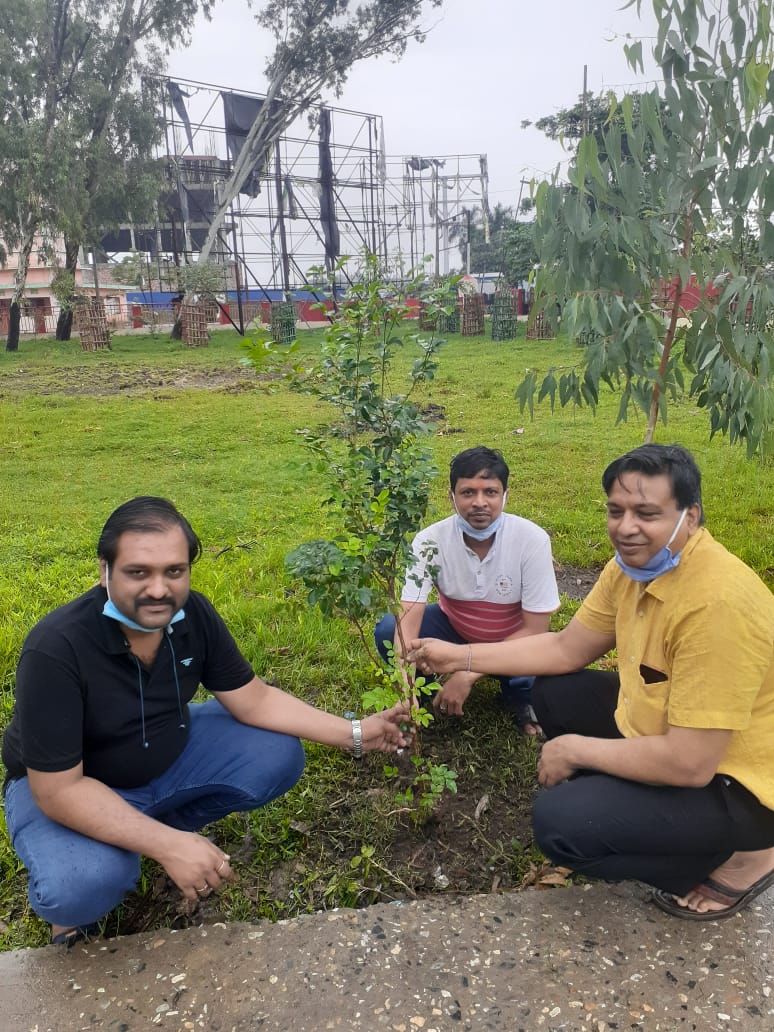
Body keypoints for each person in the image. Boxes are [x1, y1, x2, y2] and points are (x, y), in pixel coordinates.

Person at [2, 497, 411, 946]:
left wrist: (354, 732)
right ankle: (98, 890)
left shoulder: (191, 616)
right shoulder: (56, 648)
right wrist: (166, 846)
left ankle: (152, 833)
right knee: (78, 887)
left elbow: (253, 701)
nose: (158, 589)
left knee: (275, 752)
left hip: (164, 754)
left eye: (174, 571)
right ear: (105, 570)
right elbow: (57, 790)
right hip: (70, 786)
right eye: (138, 572)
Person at [408, 443, 774, 920]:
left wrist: (575, 749)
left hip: (740, 782)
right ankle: (637, 802)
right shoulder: (633, 568)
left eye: (647, 513)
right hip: (671, 729)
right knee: (557, 690)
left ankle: (744, 857)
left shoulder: (717, 606)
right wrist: (463, 656)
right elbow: (565, 649)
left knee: (561, 824)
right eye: (616, 510)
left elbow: (690, 763)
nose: (626, 527)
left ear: (691, 515)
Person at [375, 446, 559, 733]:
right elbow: (408, 619)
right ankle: (424, 692)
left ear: (505, 496)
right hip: (456, 631)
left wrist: (467, 671)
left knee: (543, 656)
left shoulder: (532, 541)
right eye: (468, 492)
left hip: (512, 639)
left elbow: (535, 630)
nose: (479, 503)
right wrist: (404, 680)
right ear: (451, 497)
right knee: (389, 630)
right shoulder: (429, 541)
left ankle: (520, 696)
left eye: (490, 492)